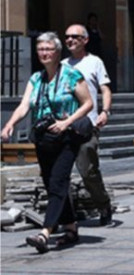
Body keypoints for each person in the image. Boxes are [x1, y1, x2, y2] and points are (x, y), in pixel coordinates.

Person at [1, 32, 93, 254]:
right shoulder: (36, 78)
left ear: (57, 52)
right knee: (51, 183)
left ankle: (45, 233)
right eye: (40, 49)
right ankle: (70, 227)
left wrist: (66, 122)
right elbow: (25, 105)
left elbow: (88, 103)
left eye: (48, 49)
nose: (44, 53)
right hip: (45, 139)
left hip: (68, 138)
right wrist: (10, 124)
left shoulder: (71, 75)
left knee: (58, 182)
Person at [62, 24, 113, 225]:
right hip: (64, 127)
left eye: (75, 36)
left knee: (88, 171)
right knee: (61, 173)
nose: (70, 40)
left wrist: (105, 111)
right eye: (67, 36)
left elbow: (105, 90)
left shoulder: (94, 62)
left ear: (85, 40)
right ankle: (65, 216)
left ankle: (103, 205)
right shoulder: (62, 64)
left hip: (87, 126)